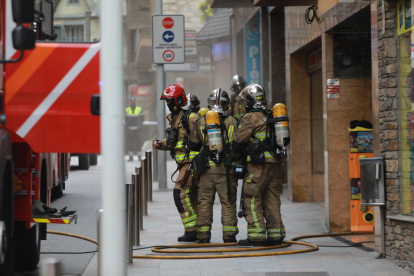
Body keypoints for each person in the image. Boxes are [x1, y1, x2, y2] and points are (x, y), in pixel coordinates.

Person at [230, 84, 286, 246]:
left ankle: (257, 236)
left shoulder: (250, 117)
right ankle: (276, 235)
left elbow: (238, 141)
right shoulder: (271, 114)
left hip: (258, 166)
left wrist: (234, 156)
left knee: (252, 198)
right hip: (275, 165)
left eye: (245, 100)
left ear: (250, 100)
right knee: (272, 199)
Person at [189, 88, 238, 244]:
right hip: (226, 171)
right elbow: (239, 144)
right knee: (228, 203)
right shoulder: (233, 121)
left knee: (204, 203)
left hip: (206, 171)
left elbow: (194, 145)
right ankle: (229, 237)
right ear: (227, 104)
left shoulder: (202, 121)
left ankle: (203, 237)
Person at [152, 84, 200, 242]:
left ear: (179, 100)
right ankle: (199, 230)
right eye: (166, 101)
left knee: (179, 193)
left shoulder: (191, 118)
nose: (168, 105)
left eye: (170, 101)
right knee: (191, 196)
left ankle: (191, 230)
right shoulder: (177, 118)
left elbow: (202, 141)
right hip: (184, 164)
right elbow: (178, 142)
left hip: (191, 164)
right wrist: (162, 144)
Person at [125, 97, 143, 161]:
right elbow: (126, 119)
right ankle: (131, 156)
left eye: (133, 101)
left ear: (135, 102)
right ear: (129, 102)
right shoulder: (127, 109)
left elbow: (142, 118)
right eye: (131, 101)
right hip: (130, 128)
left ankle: (139, 156)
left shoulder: (139, 109)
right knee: (130, 143)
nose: (132, 103)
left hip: (137, 128)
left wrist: (140, 125)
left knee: (138, 142)